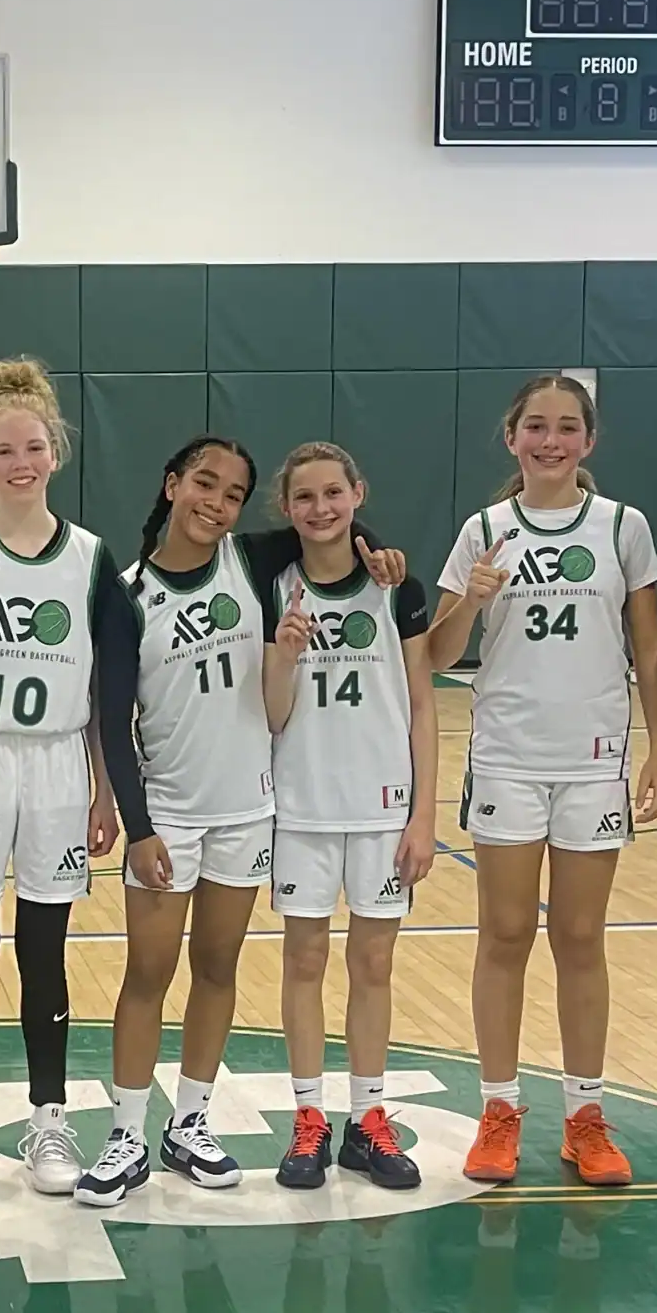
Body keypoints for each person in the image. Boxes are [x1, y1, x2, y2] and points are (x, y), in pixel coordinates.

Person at [424, 372, 657, 1191]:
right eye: (537, 426)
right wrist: (472, 601)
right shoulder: (484, 530)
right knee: (503, 935)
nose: (551, 440)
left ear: (589, 441)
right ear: (512, 438)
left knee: (578, 939)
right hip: (507, 757)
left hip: (594, 760)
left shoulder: (622, 527)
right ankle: (499, 1110)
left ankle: (585, 1117)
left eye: (568, 427)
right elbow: (438, 653)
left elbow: (649, 646)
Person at [0, 357, 125, 1199]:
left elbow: (109, 691)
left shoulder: (89, 558)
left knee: (47, 950)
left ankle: (50, 1118)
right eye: (3, 450)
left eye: (33, 447)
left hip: (55, 761)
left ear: (55, 455)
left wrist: (107, 792)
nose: (19, 462)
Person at [76, 435, 276, 1209]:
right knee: (148, 975)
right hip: (170, 816)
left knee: (218, 968)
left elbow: (340, 534)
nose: (216, 503)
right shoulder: (127, 594)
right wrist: (140, 825)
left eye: (232, 493)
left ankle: (190, 1122)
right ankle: (126, 1130)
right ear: (171, 484)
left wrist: (385, 557)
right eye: (204, 483)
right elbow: (113, 720)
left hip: (246, 808)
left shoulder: (252, 563)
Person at [262, 440, 437, 1195]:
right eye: (305, 497)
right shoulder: (272, 590)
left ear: (358, 494)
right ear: (286, 509)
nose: (321, 508)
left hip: (382, 810)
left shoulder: (395, 587)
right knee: (303, 963)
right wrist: (285, 653)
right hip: (300, 806)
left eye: (334, 493)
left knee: (372, 965)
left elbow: (425, 706)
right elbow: (270, 714)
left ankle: (369, 1120)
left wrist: (425, 814)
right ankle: (309, 1120)